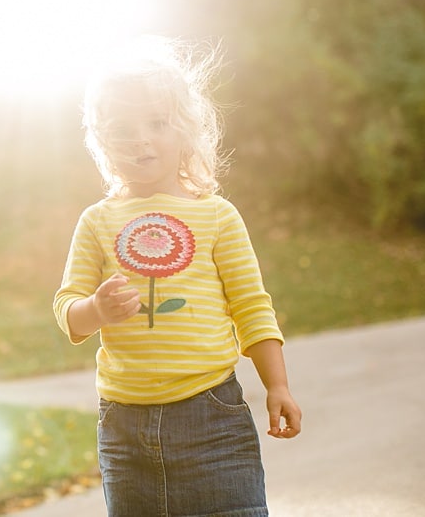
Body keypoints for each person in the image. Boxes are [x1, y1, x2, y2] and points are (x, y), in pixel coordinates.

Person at [53, 36, 301, 516]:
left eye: (158, 123)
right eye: (122, 128)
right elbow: (69, 312)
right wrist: (95, 310)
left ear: (186, 130)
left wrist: (278, 386)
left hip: (211, 418)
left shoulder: (217, 216)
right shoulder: (97, 221)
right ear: (103, 141)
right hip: (124, 429)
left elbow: (251, 306)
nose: (141, 139)